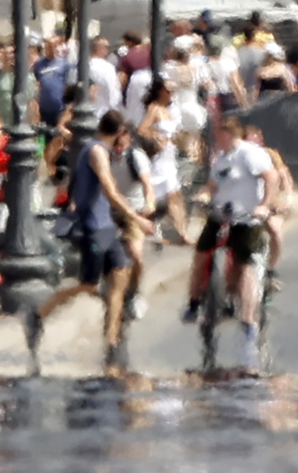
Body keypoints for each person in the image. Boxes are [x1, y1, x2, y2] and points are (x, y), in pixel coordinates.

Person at [34, 110, 155, 372]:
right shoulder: (97, 151)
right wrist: (137, 218)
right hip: (93, 227)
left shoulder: (99, 150)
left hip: (106, 226)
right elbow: (110, 191)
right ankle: (40, 314)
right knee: (88, 285)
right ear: (120, 132)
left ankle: (111, 343)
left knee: (121, 274)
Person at [181, 118, 279, 371]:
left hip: (247, 219)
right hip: (220, 216)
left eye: (219, 133)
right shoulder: (222, 159)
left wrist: (264, 205)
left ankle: (249, 328)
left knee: (246, 269)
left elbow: (271, 177)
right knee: (201, 254)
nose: (216, 138)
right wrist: (204, 195)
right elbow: (213, 184)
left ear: (228, 133)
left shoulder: (249, 154)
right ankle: (194, 303)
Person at [138, 79, 192, 244]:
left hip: (170, 158)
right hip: (159, 161)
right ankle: (137, 226)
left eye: (173, 91)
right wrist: (156, 137)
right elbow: (142, 129)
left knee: (176, 195)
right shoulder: (154, 109)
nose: (171, 94)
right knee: (158, 197)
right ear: (160, 92)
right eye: (168, 91)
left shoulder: (168, 110)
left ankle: (182, 232)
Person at [110, 127, 157, 317]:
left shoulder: (135, 157)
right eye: (115, 144)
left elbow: (147, 184)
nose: (118, 149)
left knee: (136, 254)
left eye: (121, 145)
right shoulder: (104, 155)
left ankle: (135, 292)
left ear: (128, 142)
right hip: (111, 210)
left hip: (135, 212)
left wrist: (150, 203)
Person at [243, 125, 293, 286]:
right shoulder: (237, 157)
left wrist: (287, 198)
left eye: (255, 141)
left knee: (275, 231)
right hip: (246, 203)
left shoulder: (270, 155)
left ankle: (271, 268)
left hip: (271, 202)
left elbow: (284, 176)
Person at [33, 36, 71, 127]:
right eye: (48, 46)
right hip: (44, 108)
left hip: (60, 107)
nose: (50, 49)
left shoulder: (64, 64)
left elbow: (69, 84)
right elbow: (36, 81)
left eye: (53, 46)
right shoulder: (39, 64)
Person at [86, 36, 123, 111]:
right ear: (99, 48)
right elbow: (113, 91)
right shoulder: (108, 68)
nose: (108, 50)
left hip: (87, 110)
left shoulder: (82, 66)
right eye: (107, 47)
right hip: (104, 111)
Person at [236, 25, 266, 96]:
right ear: (254, 36)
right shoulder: (260, 52)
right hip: (255, 87)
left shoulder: (239, 51)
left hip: (242, 86)